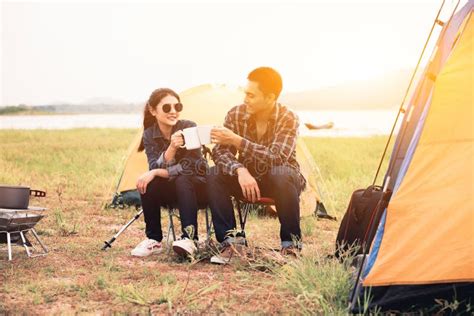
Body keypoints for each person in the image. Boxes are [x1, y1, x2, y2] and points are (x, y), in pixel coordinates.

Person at [207, 67, 306, 264]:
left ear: (270, 97)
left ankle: (291, 246)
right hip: (247, 179)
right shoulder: (236, 114)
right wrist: (239, 169)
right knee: (214, 173)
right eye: (245, 93)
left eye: (251, 95)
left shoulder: (288, 117)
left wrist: (239, 141)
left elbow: (277, 157)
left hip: (282, 180)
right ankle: (232, 244)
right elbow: (219, 151)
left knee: (281, 173)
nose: (245, 99)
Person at [131, 88, 208, 258]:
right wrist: (172, 148)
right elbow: (153, 166)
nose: (173, 111)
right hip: (173, 190)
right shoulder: (150, 134)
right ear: (153, 110)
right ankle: (154, 240)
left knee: (182, 179)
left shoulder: (188, 127)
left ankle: (190, 239)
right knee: (147, 182)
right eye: (167, 108)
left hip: (198, 189)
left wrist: (158, 171)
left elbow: (193, 166)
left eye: (177, 106)